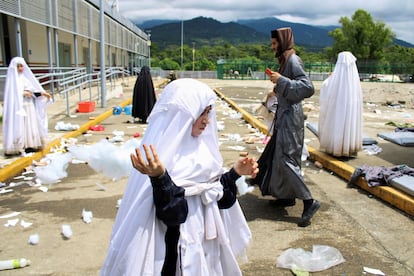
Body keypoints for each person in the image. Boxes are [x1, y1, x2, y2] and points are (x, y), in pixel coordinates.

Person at [101, 78, 258, 275]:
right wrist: (160, 178)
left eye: (208, 113)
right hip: (173, 255)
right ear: (182, 114)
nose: (207, 120)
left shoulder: (205, 151)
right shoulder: (159, 158)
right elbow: (174, 215)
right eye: (201, 112)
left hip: (206, 250)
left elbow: (217, 199)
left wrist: (234, 174)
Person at [251, 27, 320, 227]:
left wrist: (281, 81)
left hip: (291, 119)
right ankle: (286, 196)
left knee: (286, 159)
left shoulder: (292, 60)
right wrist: (278, 85)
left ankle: (309, 201)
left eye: (275, 43)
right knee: (278, 157)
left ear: (283, 42)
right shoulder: (286, 60)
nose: (273, 47)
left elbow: (308, 88)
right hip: (285, 116)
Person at [2, 57, 51, 156]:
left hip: (29, 106)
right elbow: (12, 96)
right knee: (20, 126)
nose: (20, 68)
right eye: (18, 66)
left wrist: (42, 94)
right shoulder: (12, 82)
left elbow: (33, 92)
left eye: (22, 66)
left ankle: (29, 145)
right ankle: (19, 145)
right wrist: (22, 93)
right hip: (18, 108)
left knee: (30, 125)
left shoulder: (25, 79)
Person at [319, 51, 363, 157]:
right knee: (349, 122)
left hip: (337, 108)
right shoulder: (354, 81)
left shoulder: (335, 79)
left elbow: (326, 87)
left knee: (337, 123)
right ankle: (349, 147)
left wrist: (329, 78)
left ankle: (337, 147)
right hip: (350, 107)